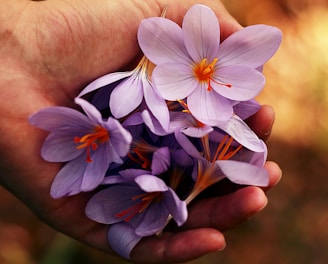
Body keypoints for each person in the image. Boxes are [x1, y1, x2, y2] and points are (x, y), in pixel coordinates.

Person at [0, 0, 282, 263]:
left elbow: (207, 109)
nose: (208, 68)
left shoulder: (200, 110)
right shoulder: (171, 91)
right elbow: (163, 60)